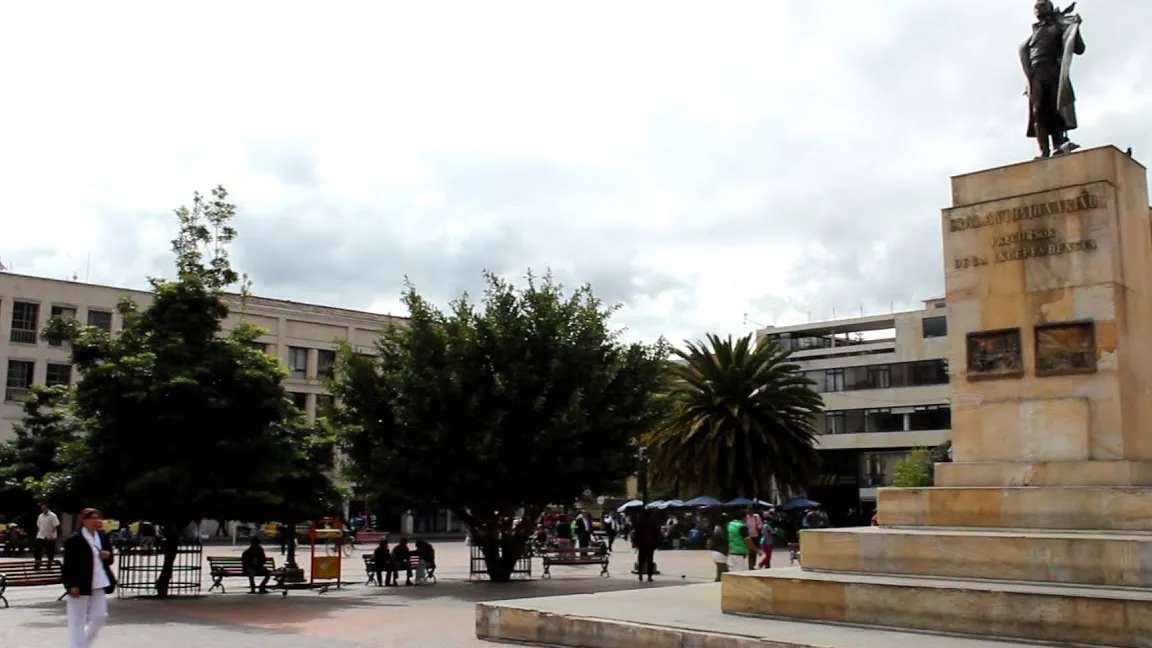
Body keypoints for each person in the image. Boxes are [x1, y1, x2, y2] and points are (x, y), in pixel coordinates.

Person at [1020, 0, 1086, 158]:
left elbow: (1080, 49)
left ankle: (1059, 146)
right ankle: (1044, 151)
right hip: (1036, 75)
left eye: (1042, 5)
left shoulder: (1060, 26)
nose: (1038, 8)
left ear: (1050, 8)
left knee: (1054, 110)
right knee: (1038, 112)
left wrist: (1075, 28)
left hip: (1053, 72)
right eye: (1036, 6)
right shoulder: (1034, 33)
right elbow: (1026, 54)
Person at [62, 508, 116, 648]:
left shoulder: (102, 536)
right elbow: (68, 565)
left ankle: (82, 644)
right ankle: (79, 646)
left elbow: (110, 560)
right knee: (77, 621)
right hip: (80, 584)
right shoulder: (75, 539)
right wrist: (70, 585)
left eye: (98, 517)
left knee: (100, 617)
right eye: (92, 517)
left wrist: (108, 555)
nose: (96, 520)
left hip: (99, 582)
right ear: (83, 520)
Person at [632, 510, 661, 582]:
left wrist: (635, 543)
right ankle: (649, 576)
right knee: (650, 560)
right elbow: (657, 534)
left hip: (641, 544)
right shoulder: (653, 523)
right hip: (650, 544)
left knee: (641, 559)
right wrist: (656, 543)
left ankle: (640, 574)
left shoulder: (639, 522)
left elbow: (636, 533)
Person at [35, 503, 60, 568]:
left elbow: (55, 525)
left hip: (50, 536)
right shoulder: (40, 516)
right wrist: (38, 532)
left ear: (47, 508)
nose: (43, 510)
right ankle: (38, 562)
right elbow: (38, 525)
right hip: (41, 535)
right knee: (37, 549)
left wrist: (52, 535)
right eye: (42, 509)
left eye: (44, 508)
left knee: (50, 551)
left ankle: (49, 564)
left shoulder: (53, 515)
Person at [707, 513, 730, 582]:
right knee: (720, 571)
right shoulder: (720, 529)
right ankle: (717, 583)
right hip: (720, 551)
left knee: (724, 569)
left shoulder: (719, 528)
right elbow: (718, 539)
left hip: (719, 551)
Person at [743, 506, 763, 570]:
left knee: (754, 551)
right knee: (750, 551)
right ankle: (750, 566)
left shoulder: (756, 516)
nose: (750, 512)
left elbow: (760, 524)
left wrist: (759, 526)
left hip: (755, 535)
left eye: (751, 510)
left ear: (753, 511)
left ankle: (753, 565)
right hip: (748, 536)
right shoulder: (745, 517)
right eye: (748, 511)